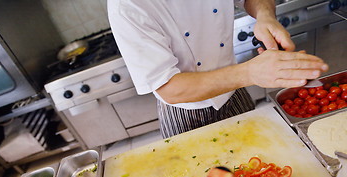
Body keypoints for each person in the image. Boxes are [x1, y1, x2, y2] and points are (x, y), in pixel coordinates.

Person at [107, 0, 329, 138]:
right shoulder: (127, 5)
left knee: (261, 162)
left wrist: (265, 16)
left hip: (235, 93)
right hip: (184, 113)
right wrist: (250, 73)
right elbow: (170, 88)